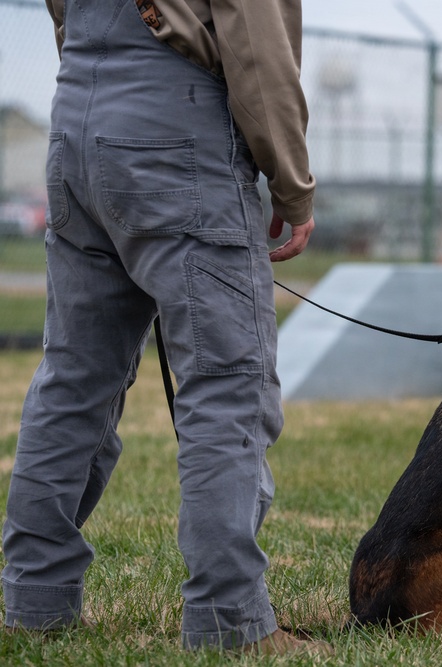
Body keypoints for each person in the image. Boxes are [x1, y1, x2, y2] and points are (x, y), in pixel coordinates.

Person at [1, 0, 330, 655]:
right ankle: (230, 620)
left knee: (73, 378)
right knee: (227, 382)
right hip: (178, 125)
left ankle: (34, 602)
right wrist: (292, 184)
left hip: (77, 117)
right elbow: (256, 40)